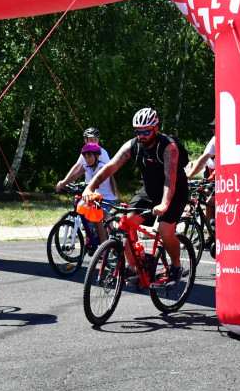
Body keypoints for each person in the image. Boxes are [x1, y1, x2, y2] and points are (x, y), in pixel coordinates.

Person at [81, 107, 188, 284]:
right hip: (149, 191)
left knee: (164, 231)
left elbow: (170, 179)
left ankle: (176, 267)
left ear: (155, 127)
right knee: (126, 224)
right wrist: (90, 188)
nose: (142, 135)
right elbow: (111, 166)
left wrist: (164, 204)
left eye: (146, 131)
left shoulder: (168, 147)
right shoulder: (134, 145)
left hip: (174, 191)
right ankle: (134, 267)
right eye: (138, 131)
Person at [56, 143, 115, 242]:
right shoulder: (87, 166)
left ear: (97, 156)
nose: (87, 159)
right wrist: (63, 183)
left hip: (107, 198)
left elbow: (96, 182)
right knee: (85, 211)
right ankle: (92, 236)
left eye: (90, 156)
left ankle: (105, 249)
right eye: (85, 157)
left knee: (96, 219)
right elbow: (75, 175)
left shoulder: (101, 167)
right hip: (96, 197)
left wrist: (87, 187)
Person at [188, 119, 217, 223]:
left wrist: (213, 175)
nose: (213, 129)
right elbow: (202, 160)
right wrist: (189, 175)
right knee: (205, 195)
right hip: (214, 183)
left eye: (215, 127)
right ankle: (210, 234)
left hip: (229, 182)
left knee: (210, 200)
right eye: (212, 127)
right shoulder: (214, 140)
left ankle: (214, 222)